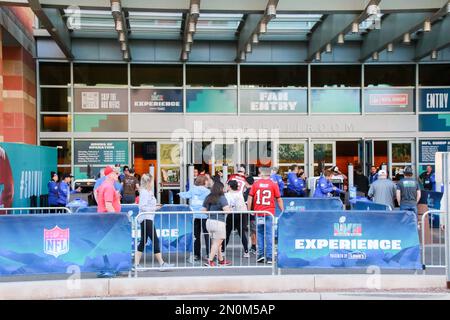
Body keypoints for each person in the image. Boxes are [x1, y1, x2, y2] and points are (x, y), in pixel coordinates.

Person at [135, 174, 174, 270]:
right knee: (155, 240)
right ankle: (161, 264)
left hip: (147, 218)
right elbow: (142, 207)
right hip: (146, 218)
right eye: (152, 181)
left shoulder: (148, 192)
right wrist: (154, 208)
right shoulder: (144, 192)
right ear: (148, 182)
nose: (153, 183)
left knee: (143, 241)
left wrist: (156, 207)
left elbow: (147, 205)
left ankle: (136, 264)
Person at [247, 167, 284, 264]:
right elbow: (278, 199)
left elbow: (250, 198)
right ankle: (269, 257)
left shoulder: (256, 184)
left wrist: (249, 210)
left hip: (259, 212)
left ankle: (260, 255)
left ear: (262, 174)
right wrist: (282, 210)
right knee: (269, 234)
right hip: (269, 213)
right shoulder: (273, 184)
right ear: (269, 174)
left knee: (259, 234)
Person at [179, 175, 211, 263]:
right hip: (205, 215)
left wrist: (179, 193)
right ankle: (209, 254)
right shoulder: (207, 191)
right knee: (207, 235)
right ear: (204, 182)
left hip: (195, 215)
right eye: (206, 180)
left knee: (196, 236)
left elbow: (186, 195)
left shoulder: (193, 189)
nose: (207, 182)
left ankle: (197, 255)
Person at [202, 181, 232, 267]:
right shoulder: (222, 197)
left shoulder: (208, 197)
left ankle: (221, 260)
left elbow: (203, 210)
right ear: (221, 188)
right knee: (217, 243)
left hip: (209, 222)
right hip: (219, 222)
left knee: (217, 242)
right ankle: (210, 261)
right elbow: (227, 210)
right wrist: (230, 209)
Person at [222, 180, 249, 257]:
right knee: (242, 233)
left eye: (227, 185)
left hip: (231, 214)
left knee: (227, 233)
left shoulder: (227, 195)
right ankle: (246, 251)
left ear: (229, 186)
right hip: (240, 214)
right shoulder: (240, 194)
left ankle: (223, 250)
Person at [243, 176, 257, 255]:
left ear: (246, 182)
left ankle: (254, 247)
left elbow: (247, 202)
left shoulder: (249, 191)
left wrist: (249, 211)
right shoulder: (254, 190)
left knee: (253, 230)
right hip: (254, 212)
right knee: (253, 230)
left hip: (251, 212)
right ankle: (254, 246)